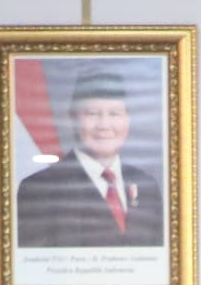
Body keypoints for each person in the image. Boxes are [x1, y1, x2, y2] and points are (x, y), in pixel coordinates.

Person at [12, 66, 163, 251]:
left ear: (128, 119)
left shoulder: (147, 186)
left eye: (114, 113)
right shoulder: (39, 190)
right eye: (92, 114)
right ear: (72, 119)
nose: (104, 125)